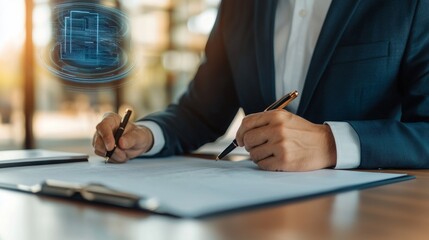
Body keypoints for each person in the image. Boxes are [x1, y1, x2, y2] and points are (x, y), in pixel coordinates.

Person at [93, 0, 429, 171]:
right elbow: (201, 112)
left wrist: (330, 144)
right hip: (256, 211)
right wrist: (146, 135)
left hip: (371, 214)